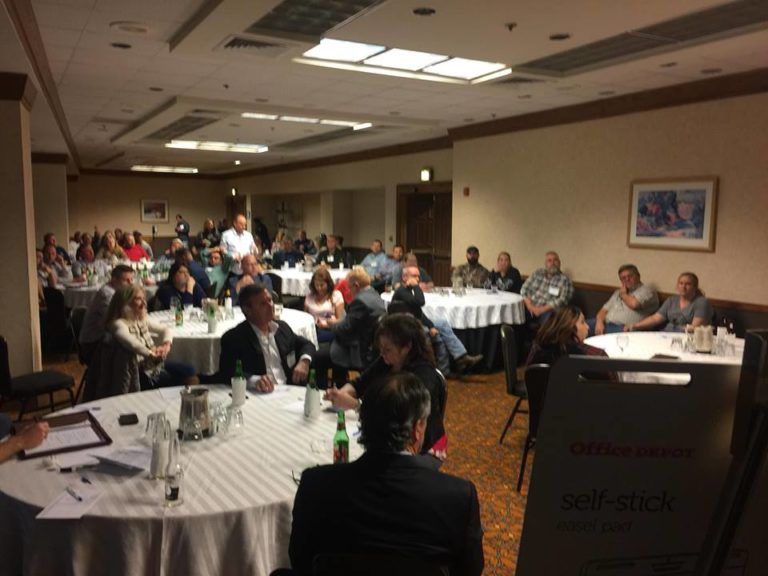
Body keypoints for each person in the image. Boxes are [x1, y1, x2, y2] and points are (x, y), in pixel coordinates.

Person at [290, 372, 484, 576]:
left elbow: (300, 560)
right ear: (418, 429)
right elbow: (470, 570)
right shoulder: (459, 497)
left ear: (363, 423)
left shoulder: (315, 484)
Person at [326, 313, 449, 458]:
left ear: (406, 347)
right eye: (381, 348)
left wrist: (356, 405)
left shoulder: (423, 374)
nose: (382, 353)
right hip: (391, 433)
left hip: (423, 443)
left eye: (387, 349)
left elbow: (401, 416)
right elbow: (360, 384)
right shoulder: (387, 361)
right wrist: (341, 393)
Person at [218, 283, 316, 391]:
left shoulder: (282, 328)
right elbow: (227, 373)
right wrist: (254, 381)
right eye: (263, 304)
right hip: (258, 395)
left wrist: (304, 362)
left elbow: (307, 344)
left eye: (270, 300)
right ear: (248, 310)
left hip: (289, 390)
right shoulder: (234, 338)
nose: (271, 306)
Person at [104, 284, 196, 393]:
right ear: (125, 302)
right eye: (138, 299)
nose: (144, 303)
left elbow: (166, 329)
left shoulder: (139, 318)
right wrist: (151, 353)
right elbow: (132, 343)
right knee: (185, 379)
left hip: (152, 364)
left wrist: (166, 345)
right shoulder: (117, 324)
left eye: (144, 298)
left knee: (191, 370)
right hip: (138, 370)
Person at [394, 265, 483, 375]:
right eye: (414, 276)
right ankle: (445, 370)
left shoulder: (408, 291)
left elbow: (419, 312)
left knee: (442, 323)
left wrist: (431, 325)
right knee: (438, 336)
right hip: (407, 326)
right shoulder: (401, 291)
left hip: (415, 321)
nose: (417, 279)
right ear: (404, 277)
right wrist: (417, 287)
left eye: (418, 276)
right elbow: (420, 302)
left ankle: (461, 356)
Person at [330, 268, 386, 377]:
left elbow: (345, 329)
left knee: (320, 356)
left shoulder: (360, 301)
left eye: (349, 288)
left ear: (356, 285)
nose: (349, 292)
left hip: (360, 350)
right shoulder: (374, 294)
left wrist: (331, 324)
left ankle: (335, 387)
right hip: (372, 346)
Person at [79, 264, 135, 362]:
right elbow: (114, 323)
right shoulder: (107, 295)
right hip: (93, 344)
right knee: (129, 353)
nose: (131, 283)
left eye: (131, 279)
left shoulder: (119, 292)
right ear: (114, 279)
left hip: (105, 338)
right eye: (126, 280)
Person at [626, 272, 712, 332]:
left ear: (695, 287)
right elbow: (655, 319)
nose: (683, 287)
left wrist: (678, 329)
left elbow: (695, 328)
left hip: (686, 338)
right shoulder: (671, 300)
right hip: (665, 334)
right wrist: (635, 325)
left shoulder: (702, 302)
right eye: (681, 283)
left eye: (688, 284)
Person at [588, 264, 659, 335]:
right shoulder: (618, 292)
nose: (627, 279)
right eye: (623, 278)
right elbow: (603, 310)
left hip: (625, 328)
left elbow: (634, 304)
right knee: (579, 327)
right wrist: (599, 322)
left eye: (630, 276)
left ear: (638, 276)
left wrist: (623, 294)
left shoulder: (647, 290)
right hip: (605, 323)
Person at [527, 305, 607, 366]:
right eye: (582, 322)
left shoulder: (536, 348)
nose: (588, 327)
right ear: (569, 327)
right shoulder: (595, 355)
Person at [520, 251, 574, 322]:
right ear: (545, 264)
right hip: (530, 306)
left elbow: (563, 300)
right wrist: (529, 306)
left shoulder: (565, 280)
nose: (552, 263)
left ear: (559, 263)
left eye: (555, 260)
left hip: (548, 311)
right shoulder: (537, 273)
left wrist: (541, 310)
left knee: (550, 319)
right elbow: (524, 289)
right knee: (515, 313)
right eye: (549, 260)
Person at [304, 267, 345, 343]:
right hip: (313, 328)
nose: (319, 288)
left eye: (322, 285)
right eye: (316, 285)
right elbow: (305, 317)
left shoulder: (336, 295)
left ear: (328, 284)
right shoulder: (310, 296)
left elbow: (341, 320)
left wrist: (327, 324)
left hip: (330, 328)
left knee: (312, 339)